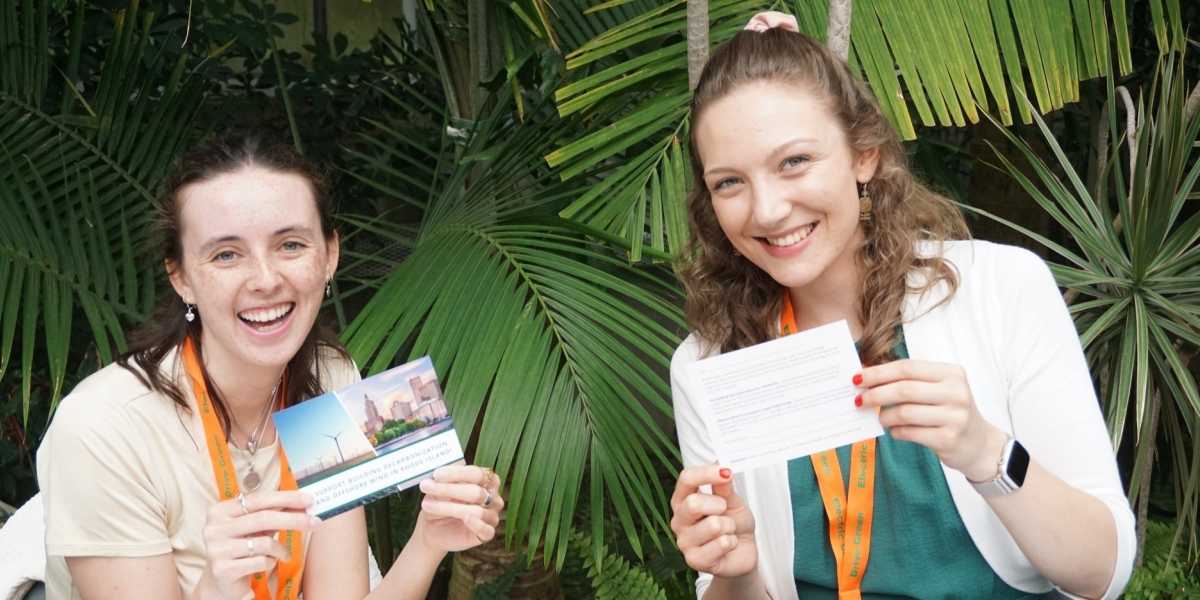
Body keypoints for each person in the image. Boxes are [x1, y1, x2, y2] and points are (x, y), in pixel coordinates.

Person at [668, 11, 1135, 600]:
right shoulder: (711, 365)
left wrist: (984, 451)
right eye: (729, 182)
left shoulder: (1000, 288)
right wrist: (733, 570)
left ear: (863, 155)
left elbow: (1102, 573)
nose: (766, 210)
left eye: (794, 162)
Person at [36, 133, 504, 600]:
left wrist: (428, 542)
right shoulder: (101, 429)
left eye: (291, 245)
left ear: (330, 256)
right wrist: (214, 591)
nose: (265, 279)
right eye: (226, 254)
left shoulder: (329, 375)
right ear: (180, 277)